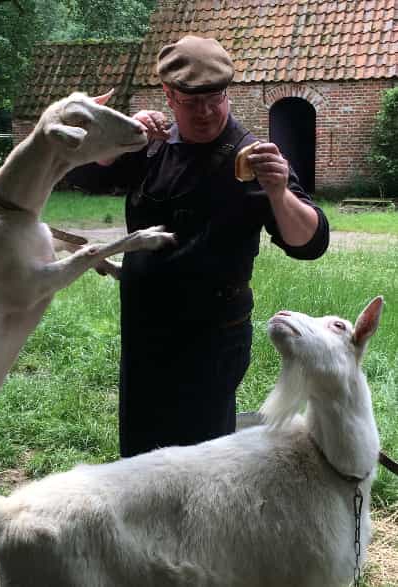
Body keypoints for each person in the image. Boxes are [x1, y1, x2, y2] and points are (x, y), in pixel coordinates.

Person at [67, 35, 329, 458]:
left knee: (200, 463)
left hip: (210, 336)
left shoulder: (252, 157)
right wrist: (118, 139)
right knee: (141, 450)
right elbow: (82, 178)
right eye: (193, 101)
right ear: (170, 96)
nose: (207, 111)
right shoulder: (151, 145)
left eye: (216, 97)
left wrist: (280, 193)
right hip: (145, 327)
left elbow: (310, 242)